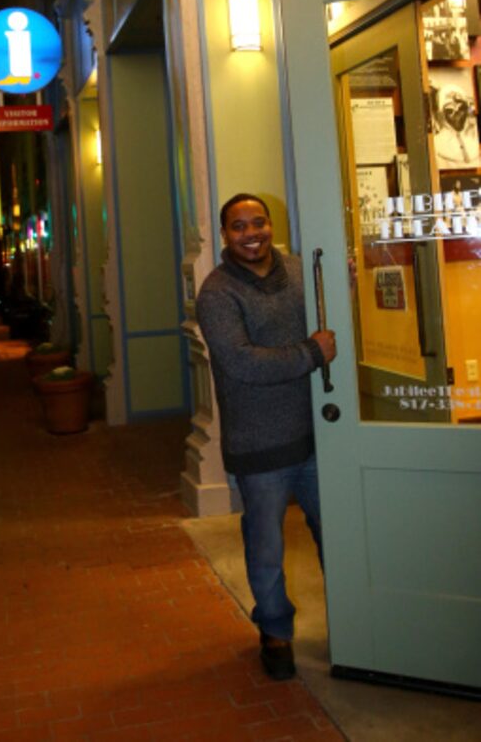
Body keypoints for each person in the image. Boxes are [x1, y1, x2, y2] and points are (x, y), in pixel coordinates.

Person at [196, 193, 336, 681]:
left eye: (258, 222)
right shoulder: (216, 292)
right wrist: (310, 354)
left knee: (336, 536)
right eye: (238, 226)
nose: (250, 232)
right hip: (259, 445)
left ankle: (352, 624)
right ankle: (275, 633)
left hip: (319, 435)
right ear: (224, 235)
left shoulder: (299, 271)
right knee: (266, 546)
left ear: (271, 224)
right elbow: (240, 362)